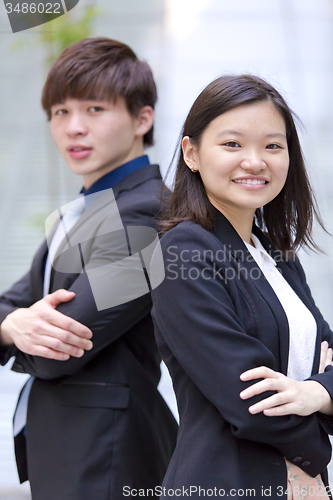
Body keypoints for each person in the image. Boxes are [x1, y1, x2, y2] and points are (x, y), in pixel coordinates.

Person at [0, 37, 177, 500]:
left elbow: (64, 343)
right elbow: (12, 307)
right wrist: (12, 324)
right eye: (60, 112)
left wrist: (16, 328)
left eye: (95, 110)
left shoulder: (150, 215)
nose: (73, 128)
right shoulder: (86, 210)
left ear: (143, 118)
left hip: (108, 455)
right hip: (74, 448)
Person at [151, 75, 333, 499]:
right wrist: (317, 441)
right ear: (191, 153)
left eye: (273, 146)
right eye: (232, 144)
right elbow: (251, 401)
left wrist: (312, 391)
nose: (255, 161)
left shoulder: (278, 254)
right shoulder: (182, 251)